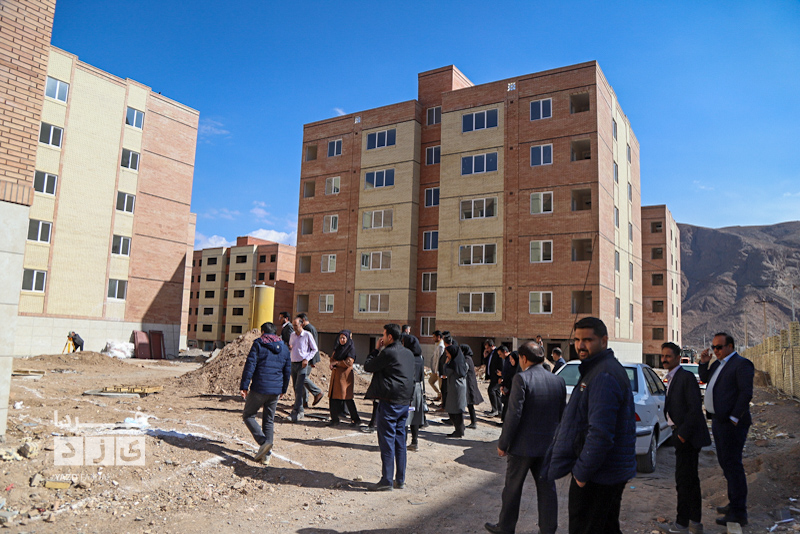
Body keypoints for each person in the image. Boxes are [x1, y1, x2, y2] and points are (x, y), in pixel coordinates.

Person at [545, 317, 636, 534]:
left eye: (587, 340)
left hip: (599, 475)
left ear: (603, 341)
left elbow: (601, 433)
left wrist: (581, 474)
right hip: (603, 474)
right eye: (577, 340)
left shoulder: (603, 375)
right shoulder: (596, 369)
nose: (580, 345)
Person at [485, 342, 566, 534]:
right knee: (547, 490)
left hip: (522, 447)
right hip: (547, 446)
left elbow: (513, 414)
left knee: (512, 489)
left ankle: (506, 527)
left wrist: (503, 443)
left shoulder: (522, 378)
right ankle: (548, 529)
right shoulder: (558, 381)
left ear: (523, 358)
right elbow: (561, 415)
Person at [698, 332, 754, 527]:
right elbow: (704, 378)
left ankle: (739, 513)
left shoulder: (742, 364)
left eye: (719, 347)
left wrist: (734, 417)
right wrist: (704, 363)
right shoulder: (717, 365)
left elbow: (746, 393)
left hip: (732, 424)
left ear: (730, 346)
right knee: (726, 465)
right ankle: (734, 504)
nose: (715, 350)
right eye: (714, 347)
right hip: (718, 421)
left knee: (733, 466)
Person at [657, 342, 711, 534]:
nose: (664, 359)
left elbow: (695, 408)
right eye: (663, 356)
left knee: (684, 481)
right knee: (690, 481)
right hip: (681, 434)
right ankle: (694, 522)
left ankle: (681, 525)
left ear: (678, 358)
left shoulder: (685, 377)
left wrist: (681, 435)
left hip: (687, 437)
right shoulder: (672, 378)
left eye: (668, 356)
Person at [363, 323, 415, 491]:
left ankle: (386, 480)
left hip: (390, 403)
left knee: (387, 442)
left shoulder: (388, 352)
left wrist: (376, 350)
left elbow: (368, 366)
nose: (382, 338)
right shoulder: (408, 353)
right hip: (404, 402)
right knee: (400, 441)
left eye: (384, 335)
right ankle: (400, 479)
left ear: (390, 337)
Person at [240, 322, 291, 466]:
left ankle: (263, 443)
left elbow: (250, 366)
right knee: (268, 421)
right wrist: (283, 389)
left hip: (259, 388)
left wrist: (244, 386)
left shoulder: (259, 344)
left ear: (263, 332)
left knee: (248, 415)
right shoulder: (284, 348)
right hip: (275, 390)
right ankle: (266, 456)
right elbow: (287, 370)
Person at [288, 317, 319, 422]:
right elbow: (291, 347)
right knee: (295, 387)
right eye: (293, 325)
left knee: (299, 387)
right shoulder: (292, 335)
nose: (294, 327)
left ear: (301, 325)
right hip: (293, 363)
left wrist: (307, 359)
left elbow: (314, 349)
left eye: (295, 325)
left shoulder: (307, 335)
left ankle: (296, 411)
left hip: (302, 364)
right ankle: (300, 409)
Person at [328, 330, 361, 427]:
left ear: (347, 338)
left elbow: (349, 362)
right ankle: (334, 420)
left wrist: (336, 363)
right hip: (336, 377)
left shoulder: (350, 348)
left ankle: (356, 419)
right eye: (340, 338)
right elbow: (332, 358)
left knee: (347, 398)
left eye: (344, 338)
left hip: (345, 377)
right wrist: (332, 363)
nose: (342, 340)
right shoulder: (338, 348)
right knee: (333, 398)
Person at [441, 332, 468, 438]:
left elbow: (446, 372)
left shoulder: (452, 364)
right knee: (457, 410)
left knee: (454, 411)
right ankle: (460, 429)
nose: (447, 355)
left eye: (448, 353)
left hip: (455, 389)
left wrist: (446, 363)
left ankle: (459, 431)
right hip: (459, 387)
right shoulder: (461, 362)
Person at [298, 313, 323, 407]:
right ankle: (304, 401)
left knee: (302, 377)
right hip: (306, 358)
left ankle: (317, 392)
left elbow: (313, 345)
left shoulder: (309, 329)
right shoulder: (308, 328)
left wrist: (312, 360)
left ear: (303, 320)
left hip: (307, 359)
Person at [461, 344, 484, 429]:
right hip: (469, 383)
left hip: (469, 384)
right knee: (468, 404)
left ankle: (473, 422)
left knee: (469, 404)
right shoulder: (467, 358)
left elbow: (464, 369)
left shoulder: (467, 359)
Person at [484, 340, 502, 417]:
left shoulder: (497, 353)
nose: (487, 349)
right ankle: (499, 410)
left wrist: (501, 376)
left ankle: (495, 410)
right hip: (492, 376)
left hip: (497, 376)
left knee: (491, 390)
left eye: (487, 348)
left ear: (492, 346)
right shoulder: (490, 354)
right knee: (497, 393)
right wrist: (485, 356)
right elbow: (488, 363)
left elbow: (501, 363)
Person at [500, 350, 519, 423]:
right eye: (510, 359)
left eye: (512, 359)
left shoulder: (519, 370)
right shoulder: (510, 368)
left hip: (513, 393)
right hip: (507, 392)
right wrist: (502, 386)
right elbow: (507, 378)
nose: (510, 361)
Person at [428, 330, 444, 401]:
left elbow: (439, 360)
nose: (433, 338)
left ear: (438, 337)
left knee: (441, 386)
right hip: (435, 369)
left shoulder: (441, 346)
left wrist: (438, 370)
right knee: (431, 381)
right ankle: (439, 394)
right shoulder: (437, 344)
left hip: (439, 370)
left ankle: (442, 401)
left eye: (434, 337)